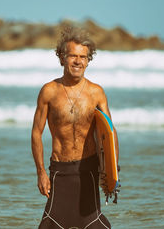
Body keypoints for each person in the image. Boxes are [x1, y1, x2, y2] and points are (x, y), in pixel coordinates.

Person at [31, 26, 119, 229]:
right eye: (73, 56)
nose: (78, 61)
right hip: (60, 172)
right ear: (62, 57)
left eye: (83, 57)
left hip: (88, 171)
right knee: (51, 224)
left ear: (88, 60)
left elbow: (110, 133)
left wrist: (111, 173)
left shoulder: (97, 93)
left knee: (95, 224)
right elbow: (37, 132)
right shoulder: (49, 92)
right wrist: (41, 172)